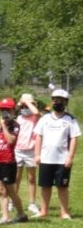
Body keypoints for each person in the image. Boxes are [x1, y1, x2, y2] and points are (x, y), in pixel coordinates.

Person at [33, 88, 79, 219]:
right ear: (52, 101)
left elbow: (74, 138)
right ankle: (43, 211)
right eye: (55, 100)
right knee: (45, 186)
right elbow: (39, 136)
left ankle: (64, 212)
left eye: (61, 100)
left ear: (66, 102)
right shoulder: (45, 119)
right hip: (46, 159)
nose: (58, 102)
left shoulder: (70, 120)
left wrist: (70, 157)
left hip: (62, 160)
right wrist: (37, 154)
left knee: (62, 187)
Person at [0, 98, 27, 225]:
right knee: (1, 191)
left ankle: (21, 214)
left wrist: (3, 126)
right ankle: (5, 217)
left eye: (7, 110)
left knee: (11, 191)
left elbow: (11, 141)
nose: (4, 113)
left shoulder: (15, 126)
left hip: (9, 162)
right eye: (2, 110)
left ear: (13, 111)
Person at [15, 93, 41, 215]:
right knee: (16, 178)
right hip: (18, 150)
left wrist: (28, 102)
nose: (24, 109)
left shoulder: (36, 118)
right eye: (22, 106)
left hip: (31, 151)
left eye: (26, 106)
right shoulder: (19, 118)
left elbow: (36, 113)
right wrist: (22, 103)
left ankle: (32, 203)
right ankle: (12, 202)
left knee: (31, 178)